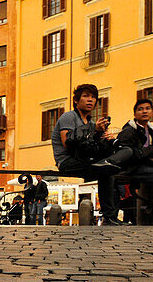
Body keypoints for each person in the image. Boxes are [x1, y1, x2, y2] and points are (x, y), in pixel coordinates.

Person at [50, 84, 124, 225]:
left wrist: (103, 138)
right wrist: (93, 130)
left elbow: (90, 146)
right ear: (76, 100)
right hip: (67, 161)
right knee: (107, 171)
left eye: (93, 97)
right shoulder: (69, 117)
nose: (90, 100)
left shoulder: (90, 122)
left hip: (84, 159)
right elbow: (68, 143)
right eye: (86, 96)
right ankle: (109, 217)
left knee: (112, 168)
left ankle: (111, 216)